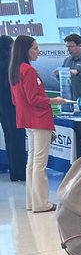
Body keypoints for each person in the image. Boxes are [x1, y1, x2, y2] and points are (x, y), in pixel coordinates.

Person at [9, 35, 56, 212]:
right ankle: (41, 203)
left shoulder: (14, 70)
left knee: (32, 162)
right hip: (38, 119)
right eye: (35, 48)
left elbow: (16, 100)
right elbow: (34, 98)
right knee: (39, 163)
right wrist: (54, 101)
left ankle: (32, 201)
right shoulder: (28, 71)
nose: (38, 51)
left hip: (27, 119)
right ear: (25, 50)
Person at [0, 34, 27, 182]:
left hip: (1, 107)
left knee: (8, 137)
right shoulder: (10, 63)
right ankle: (20, 172)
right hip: (12, 105)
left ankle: (13, 172)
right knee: (17, 138)